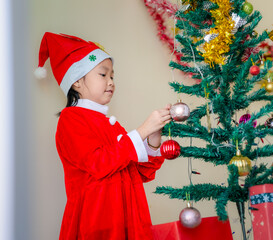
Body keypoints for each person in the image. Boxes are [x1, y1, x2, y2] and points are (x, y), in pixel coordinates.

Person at [35, 32, 171, 240]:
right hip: (98, 221)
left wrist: (153, 138)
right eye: (103, 74)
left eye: (112, 76)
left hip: (126, 219)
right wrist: (142, 130)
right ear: (77, 82)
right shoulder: (71, 119)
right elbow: (99, 163)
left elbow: (137, 172)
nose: (110, 82)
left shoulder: (110, 124)